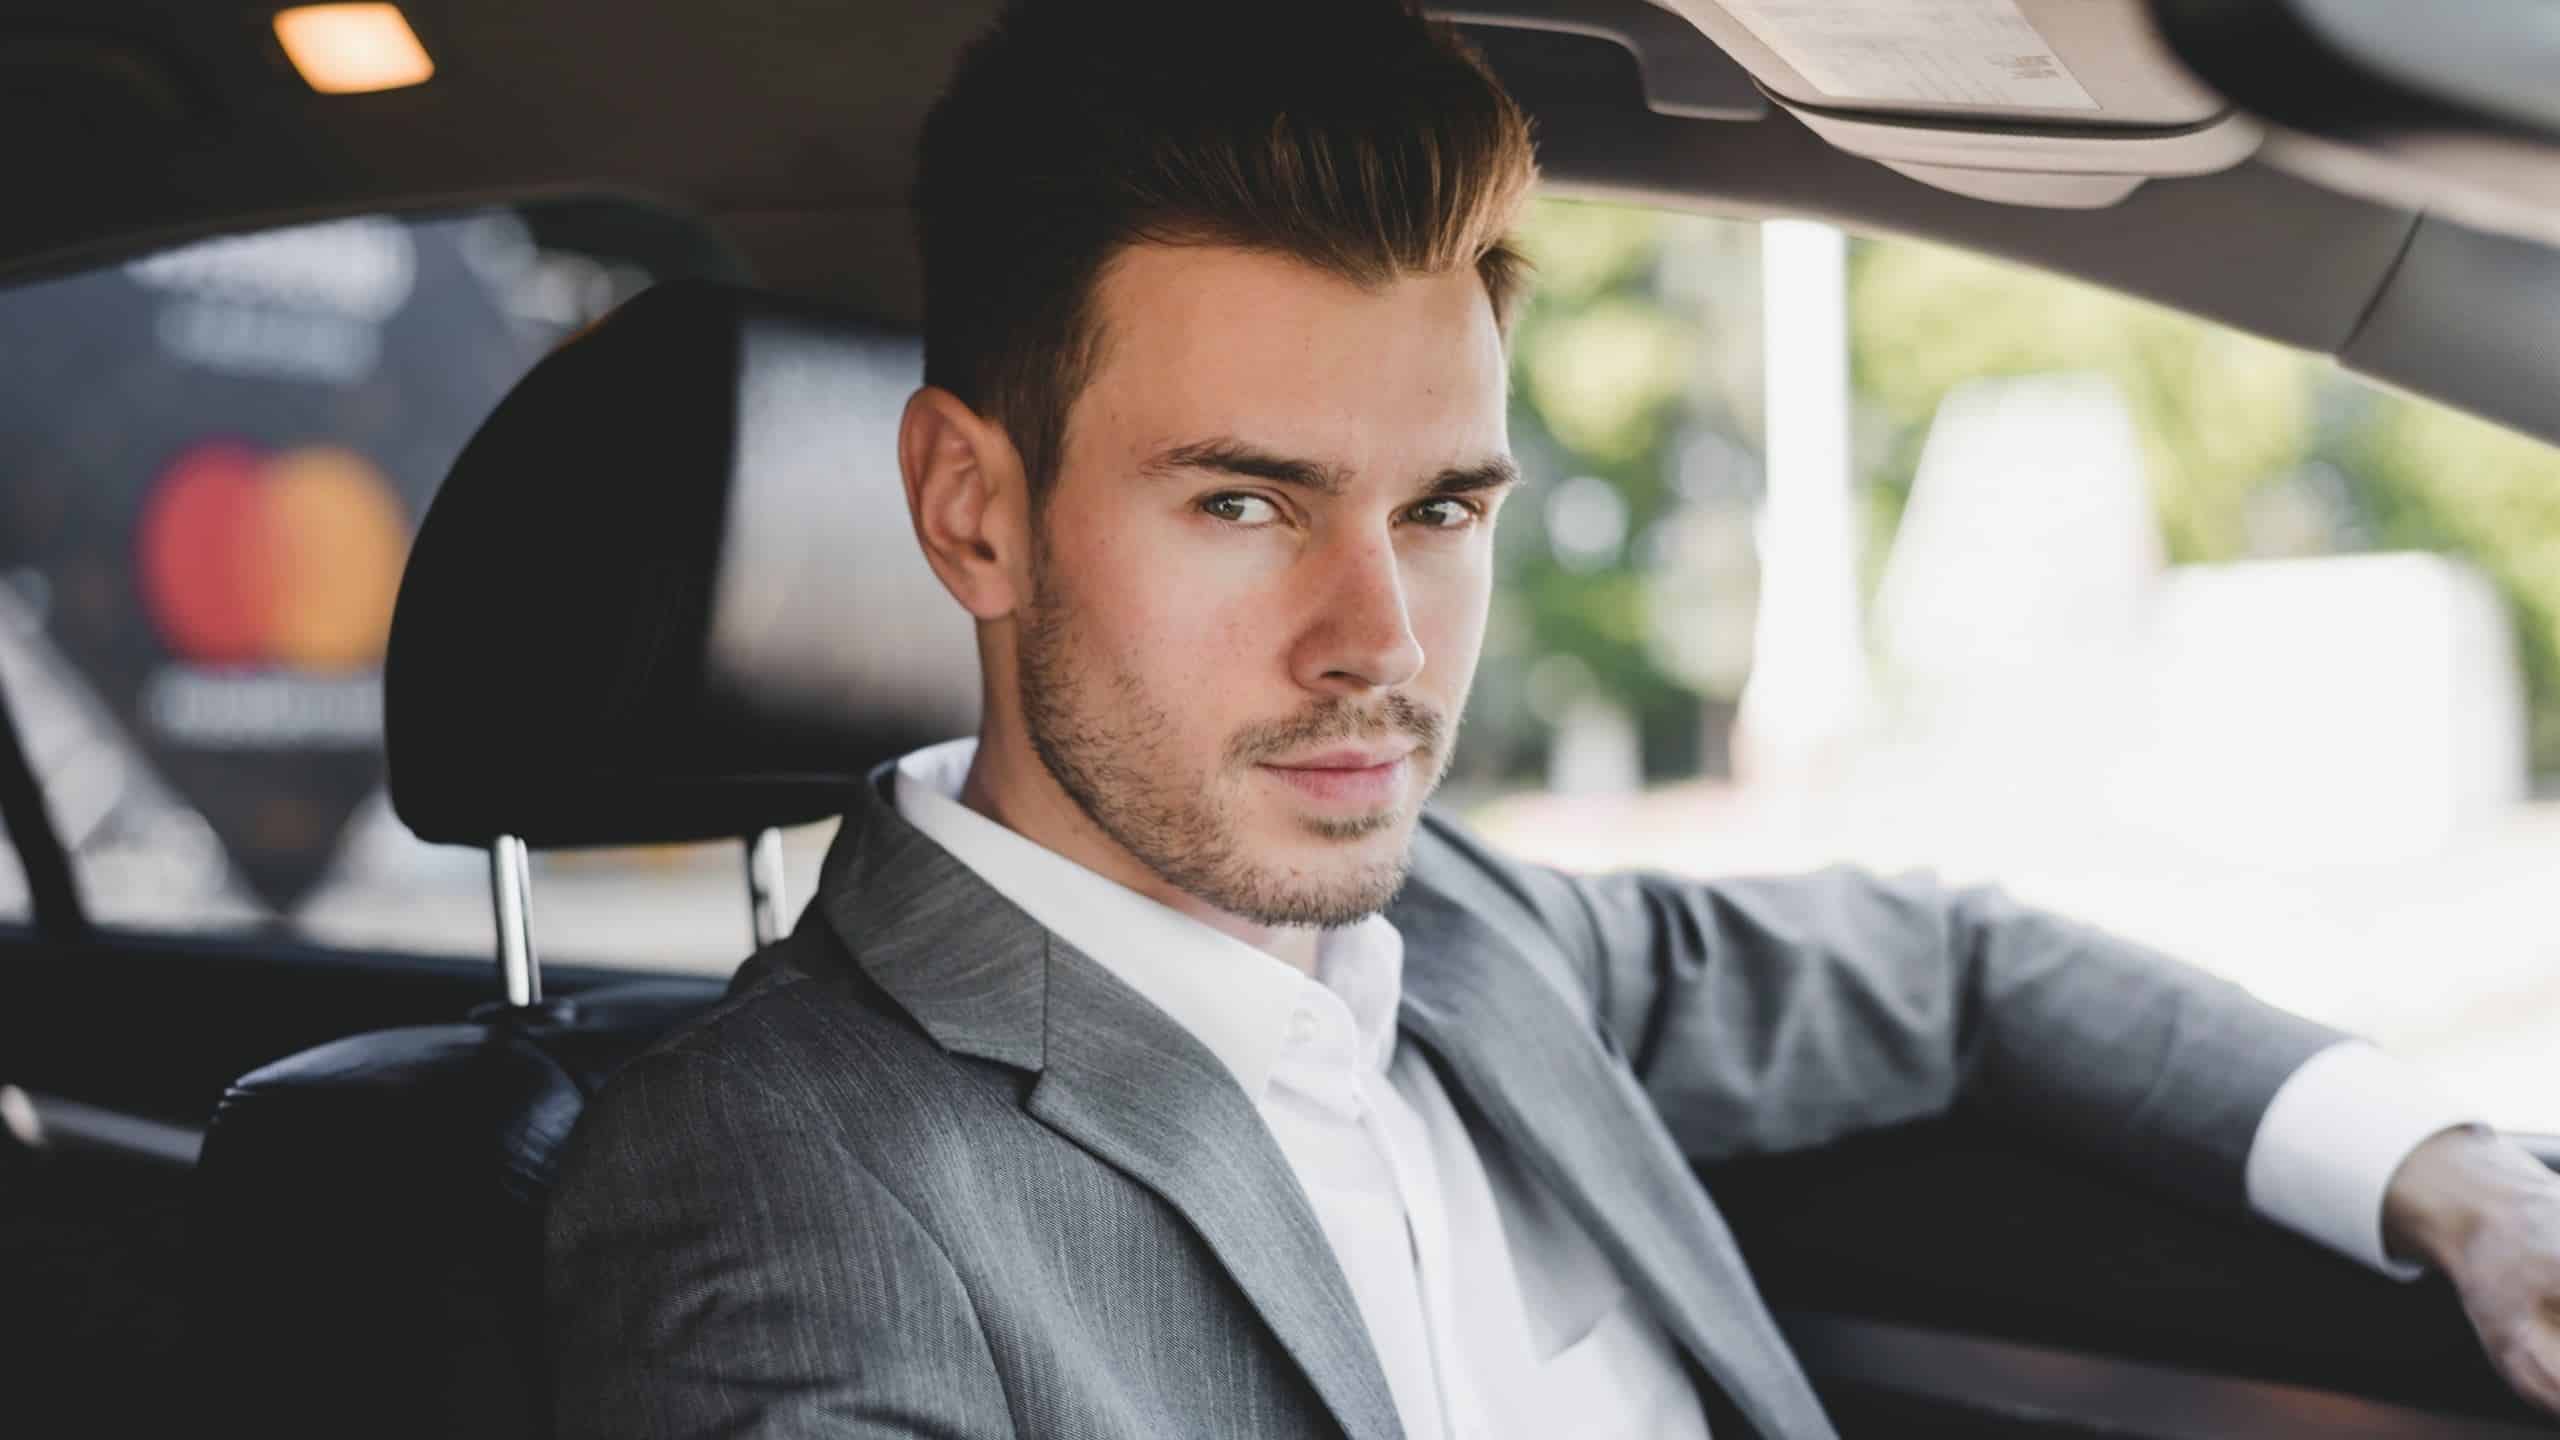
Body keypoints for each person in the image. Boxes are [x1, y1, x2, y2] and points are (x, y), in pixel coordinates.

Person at [544, 2, 2560, 1434]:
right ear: (972, 511)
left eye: (1438, 508)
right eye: (1245, 502)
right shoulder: (772, 1177)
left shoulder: (1482, 948)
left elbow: (1948, 971)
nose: (1378, 640)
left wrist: (2451, 1177)